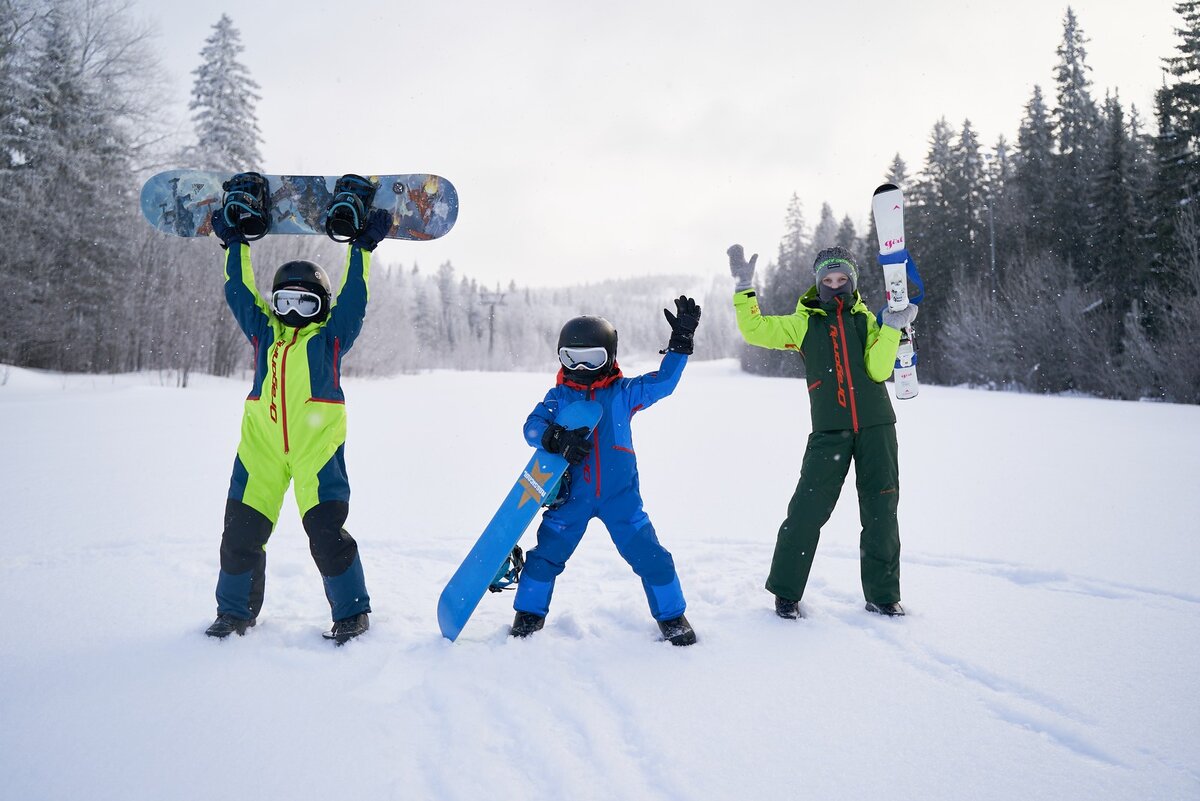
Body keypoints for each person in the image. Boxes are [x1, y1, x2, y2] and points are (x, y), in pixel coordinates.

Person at [203, 177, 392, 645]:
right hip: (261, 451)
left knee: (327, 534)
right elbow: (239, 294)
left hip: (316, 453)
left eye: (303, 303)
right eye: (283, 301)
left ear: (321, 307)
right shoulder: (264, 334)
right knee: (240, 535)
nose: (291, 311)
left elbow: (355, 299)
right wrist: (235, 247)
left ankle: (351, 613)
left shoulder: (331, 338)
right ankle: (234, 613)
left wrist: (361, 251)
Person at [727, 244, 918, 618]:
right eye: (828, 280)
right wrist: (744, 288)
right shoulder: (804, 324)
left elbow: (879, 371)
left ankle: (883, 595)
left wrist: (893, 329)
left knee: (882, 511)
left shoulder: (868, 321)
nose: (835, 285)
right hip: (829, 432)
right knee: (806, 511)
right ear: (817, 284)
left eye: (842, 278)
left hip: (877, 427)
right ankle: (786, 592)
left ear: (853, 281)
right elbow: (756, 330)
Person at [510, 297, 702, 646]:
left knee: (653, 558)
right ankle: (529, 613)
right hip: (570, 500)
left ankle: (672, 615)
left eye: (592, 359)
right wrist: (554, 437)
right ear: (561, 356)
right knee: (544, 558)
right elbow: (531, 428)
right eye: (572, 358)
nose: (581, 368)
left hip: (621, 500)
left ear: (609, 357)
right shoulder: (557, 397)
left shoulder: (624, 393)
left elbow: (663, 383)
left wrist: (680, 345)